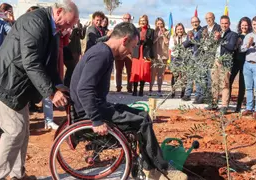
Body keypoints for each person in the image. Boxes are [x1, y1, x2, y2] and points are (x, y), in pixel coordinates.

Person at [70, 21, 187, 180]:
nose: (131, 53)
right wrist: (96, 120)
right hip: (91, 111)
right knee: (142, 122)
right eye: (132, 47)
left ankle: (149, 166)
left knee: (144, 115)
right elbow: (83, 89)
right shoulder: (102, 54)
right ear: (124, 40)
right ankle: (160, 169)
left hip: (98, 106)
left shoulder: (102, 50)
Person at [0, 1, 79, 179]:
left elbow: (49, 64)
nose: (69, 28)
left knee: (23, 130)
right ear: (58, 12)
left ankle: (17, 174)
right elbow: (31, 62)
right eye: (68, 23)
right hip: (6, 82)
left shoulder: (52, 28)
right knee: (14, 131)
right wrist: (51, 92)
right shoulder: (34, 22)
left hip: (18, 85)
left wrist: (58, 84)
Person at [205, 15, 238, 114]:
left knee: (225, 84)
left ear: (229, 24)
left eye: (226, 23)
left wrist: (220, 39)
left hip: (225, 63)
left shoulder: (233, 35)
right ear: (220, 23)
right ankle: (214, 103)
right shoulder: (217, 33)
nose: (224, 25)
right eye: (222, 23)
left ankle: (224, 105)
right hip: (215, 61)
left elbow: (231, 47)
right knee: (214, 83)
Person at [228, 17, 252, 113]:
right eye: (243, 25)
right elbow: (233, 48)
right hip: (235, 62)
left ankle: (238, 106)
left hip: (245, 63)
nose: (244, 27)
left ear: (249, 26)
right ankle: (227, 102)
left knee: (242, 85)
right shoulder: (236, 36)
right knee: (229, 82)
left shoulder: (251, 36)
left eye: (246, 25)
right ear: (240, 25)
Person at [130, 15, 154, 96]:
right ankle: (135, 90)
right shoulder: (135, 30)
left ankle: (141, 90)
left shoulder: (151, 31)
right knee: (136, 72)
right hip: (137, 53)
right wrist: (138, 41)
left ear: (147, 21)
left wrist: (145, 39)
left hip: (145, 53)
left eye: (144, 20)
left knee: (144, 72)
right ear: (139, 21)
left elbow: (151, 43)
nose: (143, 22)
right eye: (141, 20)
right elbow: (132, 41)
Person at [182, 16, 204, 103]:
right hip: (191, 57)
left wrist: (193, 40)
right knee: (190, 76)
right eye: (193, 22)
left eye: (196, 22)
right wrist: (190, 39)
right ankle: (187, 94)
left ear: (199, 22)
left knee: (198, 77)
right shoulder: (190, 33)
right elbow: (185, 44)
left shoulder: (202, 31)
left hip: (200, 57)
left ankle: (198, 95)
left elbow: (201, 42)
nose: (195, 23)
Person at [150, 17, 169, 97]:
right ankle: (150, 89)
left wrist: (163, 34)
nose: (160, 25)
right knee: (152, 74)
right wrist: (157, 37)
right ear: (156, 24)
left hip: (163, 56)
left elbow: (167, 42)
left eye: (161, 24)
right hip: (154, 56)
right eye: (158, 24)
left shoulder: (167, 32)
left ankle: (159, 89)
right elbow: (151, 43)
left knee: (160, 74)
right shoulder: (153, 32)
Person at [115, 13, 133, 93]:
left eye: (128, 18)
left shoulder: (132, 29)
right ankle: (118, 87)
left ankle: (129, 87)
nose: (127, 20)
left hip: (129, 53)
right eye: (125, 18)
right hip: (119, 52)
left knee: (130, 71)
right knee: (119, 70)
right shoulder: (118, 28)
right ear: (122, 19)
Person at [169, 23, 187, 98]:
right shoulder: (173, 38)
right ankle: (173, 91)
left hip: (183, 57)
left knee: (183, 75)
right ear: (176, 30)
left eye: (181, 29)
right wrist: (176, 45)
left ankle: (183, 92)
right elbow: (171, 47)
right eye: (178, 29)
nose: (179, 30)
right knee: (174, 75)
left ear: (183, 29)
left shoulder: (186, 37)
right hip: (175, 57)